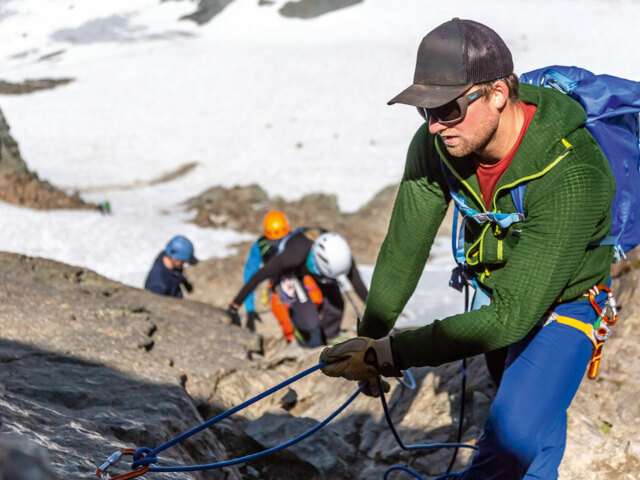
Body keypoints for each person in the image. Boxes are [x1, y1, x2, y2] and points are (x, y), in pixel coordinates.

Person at [319, 18, 615, 480]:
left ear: (497, 93)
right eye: (424, 111)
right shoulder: (438, 145)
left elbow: (508, 319)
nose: (435, 125)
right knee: (530, 433)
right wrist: (371, 338)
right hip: (498, 295)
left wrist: (390, 354)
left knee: (505, 444)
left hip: (569, 306)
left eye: (448, 108)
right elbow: (404, 247)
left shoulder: (572, 171)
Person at [228, 229, 368, 347]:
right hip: (294, 272)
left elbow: (358, 285)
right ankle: (295, 322)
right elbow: (259, 276)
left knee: (336, 302)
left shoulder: (340, 257)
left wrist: (379, 312)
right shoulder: (292, 255)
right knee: (310, 323)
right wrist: (235, 305)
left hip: (318, 268)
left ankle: (331, 334)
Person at [240, 210, 297, 336]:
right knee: (285, 319)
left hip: (297, 285)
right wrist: (250, 308)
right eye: (274, 240)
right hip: (280, 289)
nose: (277, 243)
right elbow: (250, 276)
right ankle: (292, 338)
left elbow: (250, 275)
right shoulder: (295, 240)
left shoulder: (296, 241)